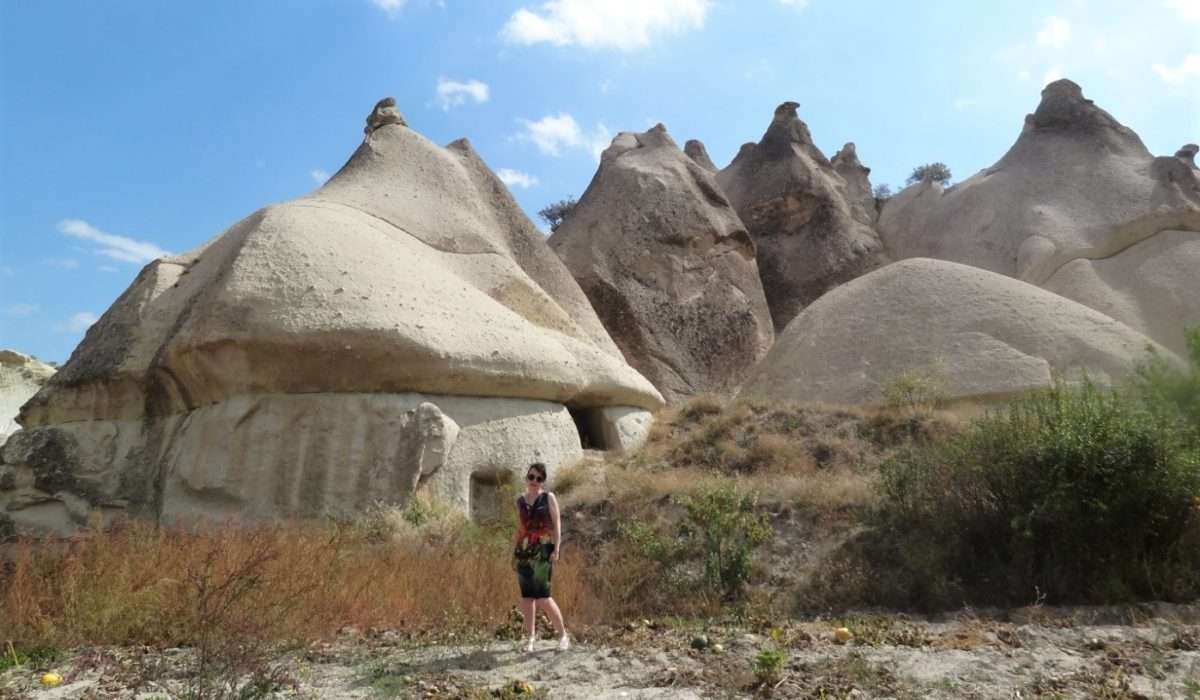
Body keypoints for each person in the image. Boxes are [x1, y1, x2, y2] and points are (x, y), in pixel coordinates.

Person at [512, 462, 569, 652]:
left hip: (544, 548)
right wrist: (513, 551)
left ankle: (563, 635)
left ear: (543, 481)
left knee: (543, 596)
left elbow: (557, 522)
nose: (534, 481)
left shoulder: (548, 498)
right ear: (526, 478)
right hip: (524, 550)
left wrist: (557, 548)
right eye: (531, 477)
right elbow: (519, 529)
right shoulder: (520, 500)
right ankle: (530, 638)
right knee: (527, 598)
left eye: (539, 478)